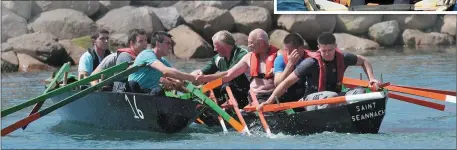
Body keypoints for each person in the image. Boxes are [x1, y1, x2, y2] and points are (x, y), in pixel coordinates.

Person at [257, 32, 380, 111]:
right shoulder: (310, 63)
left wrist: (371, 79)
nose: (326, 54)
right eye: (323, 50)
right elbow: (285, 84)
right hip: (310, 101)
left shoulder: (344, 57)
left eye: (330, 50)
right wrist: (269, 102)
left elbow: (364, 61)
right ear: (318, 48)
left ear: (335, 47)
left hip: (334, 98)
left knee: (361, 92)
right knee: (331, 96)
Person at [196, 28, 279, 104]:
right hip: (254, 97)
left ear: (260, 42)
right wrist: (206, 78)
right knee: (226, 86)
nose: (248, 46)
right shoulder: (249, 57)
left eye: (250, 42)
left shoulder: (279, 56)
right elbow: (228, 75)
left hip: (272, 97)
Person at [190, 30, 250, 108]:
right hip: (228, 93)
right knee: (205, 85)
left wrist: (206, 78)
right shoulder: (218, 58)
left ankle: (219, 106)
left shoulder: (242, 54)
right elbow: (201, 72)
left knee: (227, 85)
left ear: (225, 46)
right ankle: (205, 106)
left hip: (245, 94)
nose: (214, 49)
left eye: (216, 46)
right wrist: (189, 77)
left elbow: (228, 75)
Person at [127, 31, 197, 96]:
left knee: (158, 91)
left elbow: (176, 73)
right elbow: (166, 71)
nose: (170, 47)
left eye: (171, 44)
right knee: (134, 85)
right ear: (158, 44)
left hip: (147, 94)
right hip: (134, 91)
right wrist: (191, 77)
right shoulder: (147, 54)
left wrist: (190, 84)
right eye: (168, 43)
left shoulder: (162, 60)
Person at [273, 33, 312, 102]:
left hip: (307, 95)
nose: (288, 54)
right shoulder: (280, 59)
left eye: (291, 51)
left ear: (300, 48)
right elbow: (277, 83)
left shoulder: (311, 59)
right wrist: (289, 65)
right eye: (286, 50)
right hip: (287, 96)